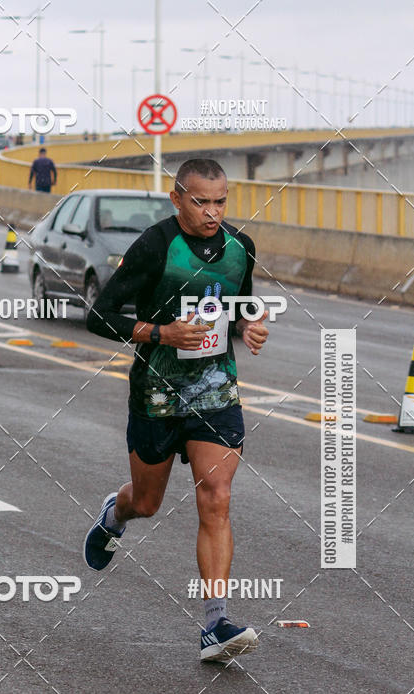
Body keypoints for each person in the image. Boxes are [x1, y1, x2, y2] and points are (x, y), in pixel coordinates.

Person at [83, 158, 269, 662]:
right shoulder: (154, 246)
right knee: (147, 502)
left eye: (221, 201)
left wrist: (248, 326)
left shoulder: (239, 247)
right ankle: (113, 515)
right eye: (200, 201)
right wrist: (162, 333)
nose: (212, 212)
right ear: (177, 198)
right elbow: (98, 317)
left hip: (215, 389)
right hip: (156, 392)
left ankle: (215, 625)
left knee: (217, 495)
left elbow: (237, 306)